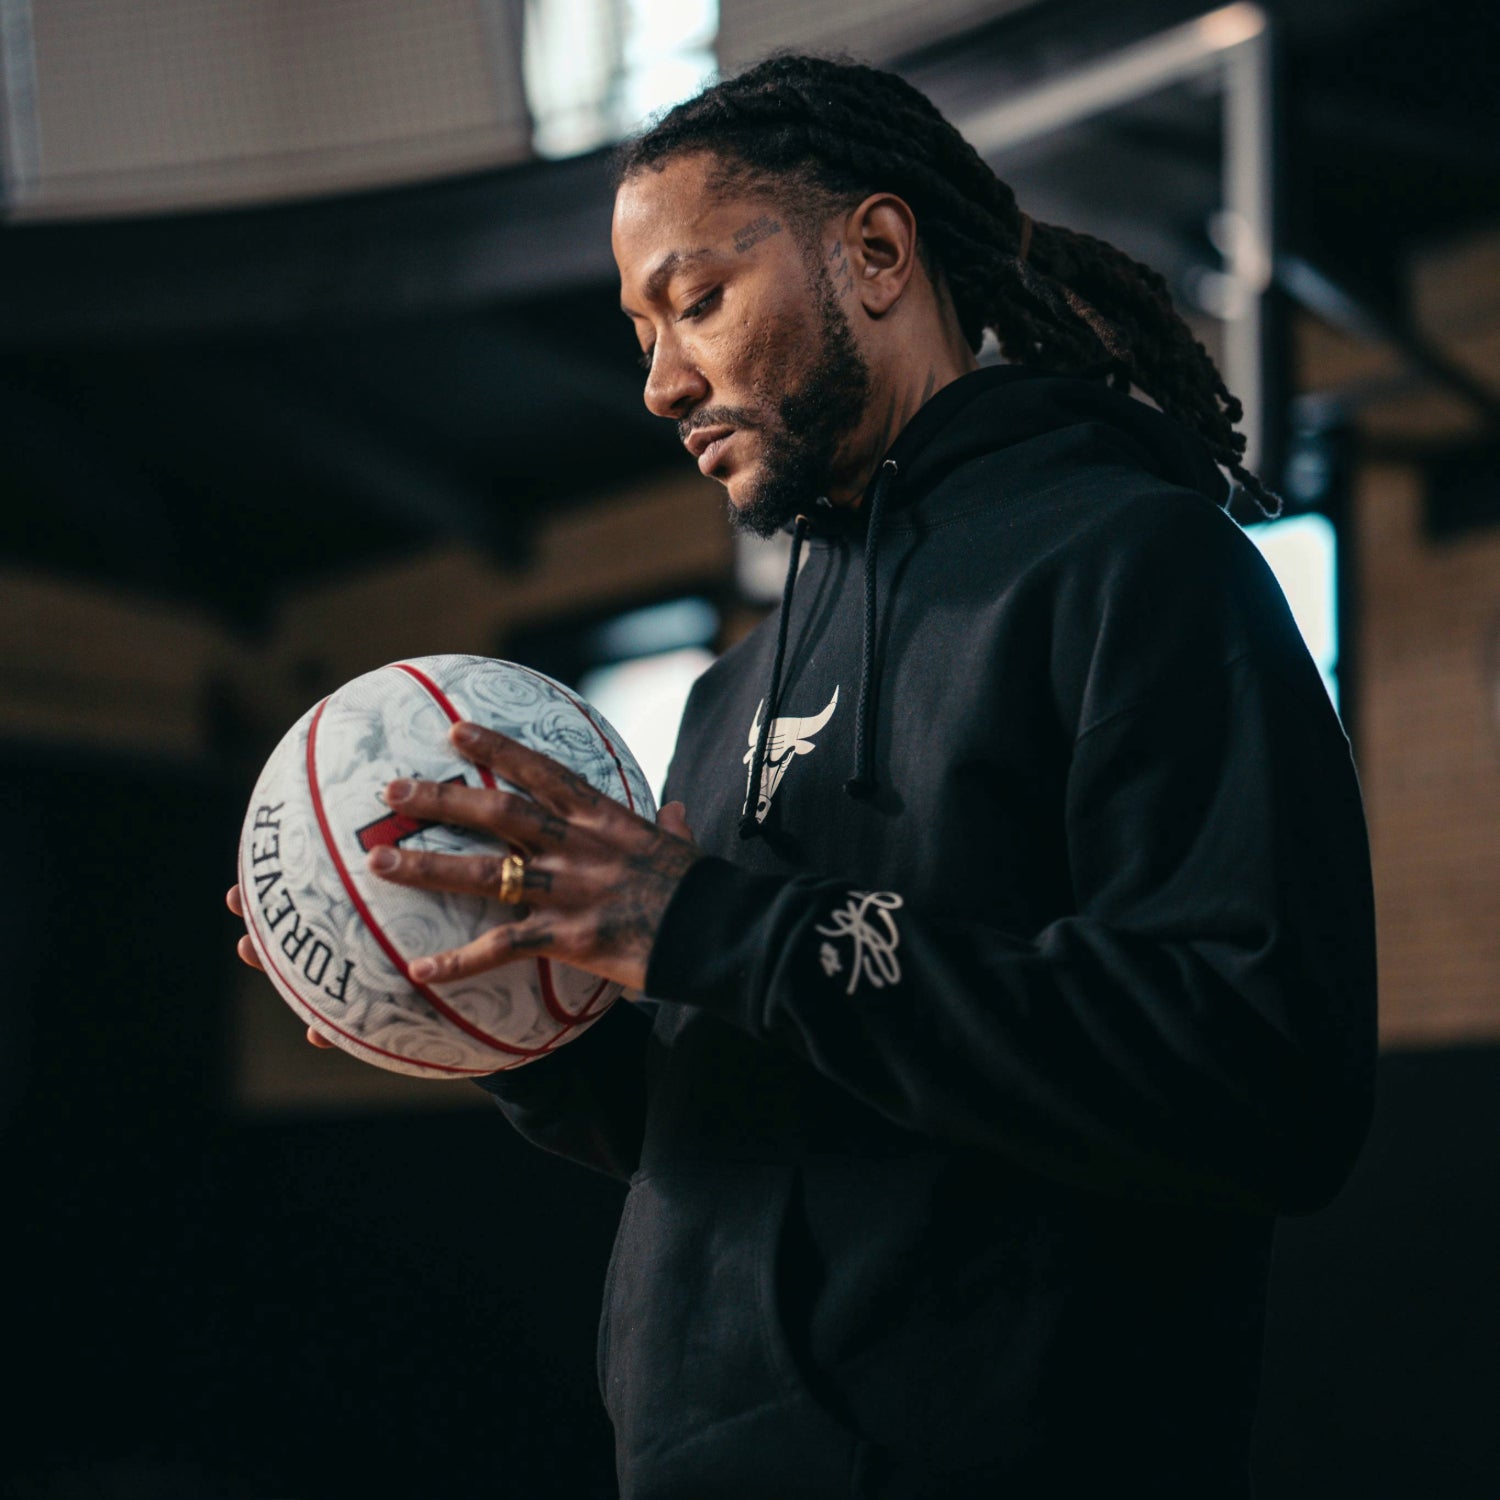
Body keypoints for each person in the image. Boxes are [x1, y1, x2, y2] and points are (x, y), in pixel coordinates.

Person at [229, 55, 1377, 1499]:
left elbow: (1265, 1073)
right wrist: (505, 1012)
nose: (659, 381)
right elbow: (713, 1118)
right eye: (641, 328)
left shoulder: (1135, 572)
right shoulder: (732, 690)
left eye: (697, 301)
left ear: (877, 253)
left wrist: (722, 927)